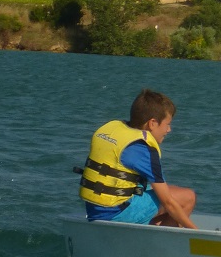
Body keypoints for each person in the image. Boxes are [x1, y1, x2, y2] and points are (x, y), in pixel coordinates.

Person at [79, 89, 197, 228]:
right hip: (116, 214)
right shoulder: (143, 149)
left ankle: (153, 227)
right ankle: (158, 244)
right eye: (167, 124)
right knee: (187, 197)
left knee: (157, 189)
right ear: (152, 123)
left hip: (94, 210)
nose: (169, 130)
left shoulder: (114, 131)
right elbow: (168, 203)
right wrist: (196, 232)